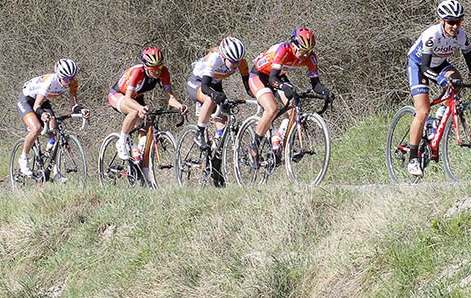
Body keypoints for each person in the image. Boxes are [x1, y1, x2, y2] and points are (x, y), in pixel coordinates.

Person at [405, 0, 471, 177]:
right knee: (422, 112)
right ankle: (413, 158)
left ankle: (438, 119)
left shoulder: (461, 36)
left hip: (439, 64)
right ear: (441, 20)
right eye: (451, 22)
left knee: (456, 80)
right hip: (419, 65)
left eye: (458, 21)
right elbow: (425, 68)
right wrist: (438, 78)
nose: (455, 26)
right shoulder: (432, 35)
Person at [247, 27, 333, 166]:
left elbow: (315, 84)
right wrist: (283, 87)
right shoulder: (284, 50)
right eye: (303, 51)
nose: (305, 56)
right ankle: (254, 147)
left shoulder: (310, 57)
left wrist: (325, 92)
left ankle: (280, 142)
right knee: (272, 109)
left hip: (278, 76)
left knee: (294, 106)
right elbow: (272, 78)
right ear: (294, 45)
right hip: (260, 76)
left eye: (309, 52)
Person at [185, 37, 252, 186]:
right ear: (223, 56)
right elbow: (205, 87)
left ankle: (215, 162)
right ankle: (199, 132)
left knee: (224, 122)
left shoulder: (241, 62)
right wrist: (215, 95)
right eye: (232, 61)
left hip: (215, 84)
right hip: (198, 82)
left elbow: (249, 87)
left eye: (238, 61)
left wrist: (258, 96)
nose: (235, 65)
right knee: (210, 99)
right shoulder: (215, 58)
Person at [107, 46, 188, 161]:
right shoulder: (137, 72)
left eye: (159, 67)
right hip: (119, 95)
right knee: (134, 111)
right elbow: (128, 99)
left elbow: (170, 97)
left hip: (137, 97)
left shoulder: (164, 72)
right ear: (145, 66)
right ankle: (122, 141)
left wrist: (180, 106)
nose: (157, 71)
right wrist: (140, 108)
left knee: (147, 123)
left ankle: (142, 164)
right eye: (153, 68)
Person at [15, 59, 90, 177]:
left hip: (43, 101)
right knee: (37, 128)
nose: (69, 82)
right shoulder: (50, 82)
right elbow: (36, 106)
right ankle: (23, 158)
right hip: (27, 100)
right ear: (59, 76)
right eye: (66, 79)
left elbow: (73, 104)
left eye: (72, 78)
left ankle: (55, 171)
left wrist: (81, 110)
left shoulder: (73, 82)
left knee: (55, 132)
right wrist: (43, 115)